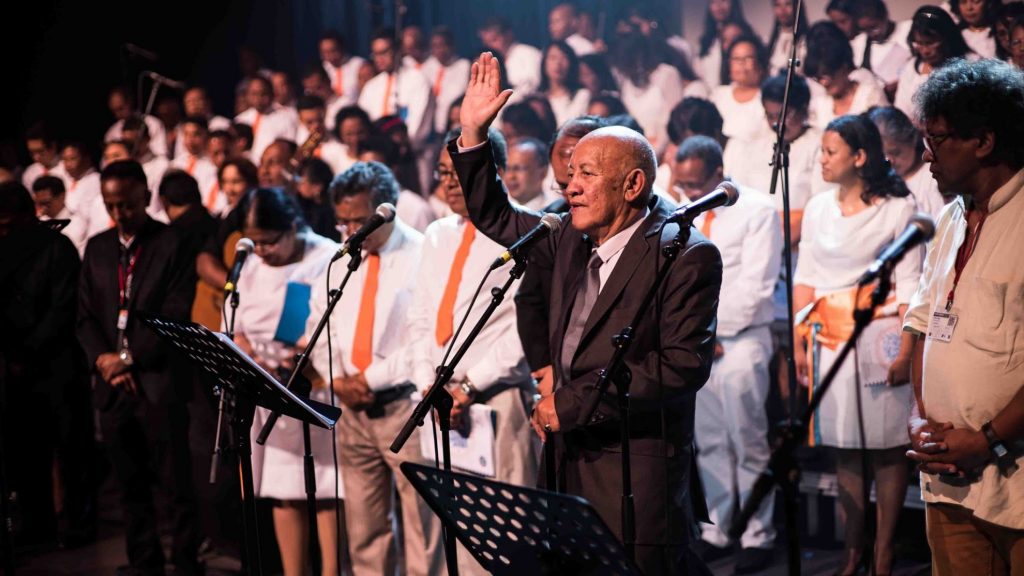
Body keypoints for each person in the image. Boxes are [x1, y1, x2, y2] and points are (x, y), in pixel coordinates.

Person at [453, 52, 719, 576]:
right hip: (564, 462)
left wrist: (570, 404)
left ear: (633, 185)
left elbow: (683, 364)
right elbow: (496, 215)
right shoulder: (566, 238)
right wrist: (472, 135)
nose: (568, 186)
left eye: (586, 174)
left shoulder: (684, 253)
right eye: (569, 174)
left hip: (634, 475)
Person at [903, 58, 1024, 576]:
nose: (926, 156)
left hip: (1014, 484)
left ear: (984, 141)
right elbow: (923, 326)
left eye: (938, 139)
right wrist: (918, 418)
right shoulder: (950, 217)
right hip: (946, 477)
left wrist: (989, 438)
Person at [793, 115, 921, 576]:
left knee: (887, 450)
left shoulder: (897, 208)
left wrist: (907, 351)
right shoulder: (818, 207)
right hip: (828, 339)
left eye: (830, 152)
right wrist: (797, 340)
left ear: (859, 157)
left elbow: (910, 286)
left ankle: (884, 552)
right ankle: (853, 549)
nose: (822, 160)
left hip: (878, 337)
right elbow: (805, 276)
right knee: (845, 447)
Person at [409, 123, 538, 576]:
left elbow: (525, 332)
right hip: (441, 399)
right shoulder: (437, 234)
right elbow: (422, 317)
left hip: (496, 397)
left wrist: (467, 385)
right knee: (457, 525)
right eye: (442, 173)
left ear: (493, 173)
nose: (448, 181)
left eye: (457, 172)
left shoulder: (524, 230)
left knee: (507, 531)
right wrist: (430, 381)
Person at [307, 162, 443, 576]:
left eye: (358, 220)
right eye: (343, 220)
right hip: (351, 409)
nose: (350, 231)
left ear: (387, 209)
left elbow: (426, 338)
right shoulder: (341, 257)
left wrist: (366, 379)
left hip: (405, 406)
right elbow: (319, 324)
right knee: (365, 529)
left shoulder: (423, 254)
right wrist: (335, 378)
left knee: (423, 525)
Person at [77, 160, 201, 575]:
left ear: (146, 198)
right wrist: (105, 361)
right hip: (113, 386)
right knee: (129, 484)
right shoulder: (96, 248)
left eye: (127, 205)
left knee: (175, 484)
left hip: (159, 381)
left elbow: (175, 313)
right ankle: (143, 560)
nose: (119, 215)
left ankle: (185, 561)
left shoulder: (174, 243)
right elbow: (84, 317)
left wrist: (130, 358)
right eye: (111, 206)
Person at [674, 136, 782, 572]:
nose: (691, 195)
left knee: (748, 438)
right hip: (702, 345)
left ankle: (759, 532)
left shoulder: (757, 210)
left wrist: (710, 329)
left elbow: (757, 288)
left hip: (742, 340)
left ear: (718, 172)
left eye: (697, 184)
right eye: (683, 185)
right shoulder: (680, 211)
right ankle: (720, 527)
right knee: (711, 441)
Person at [231, 187, 344, 576]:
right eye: (255, 242)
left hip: (311, 385)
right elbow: (239, 323)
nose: (261, 251)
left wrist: (284, 351)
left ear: (293, 226)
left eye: (269, 241)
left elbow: (311, 326)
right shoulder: (250, 264)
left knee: (326, 492)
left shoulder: (323, 256)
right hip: (269, 388)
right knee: (283, 492)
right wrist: (248, 352)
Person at [0, 181, 95, 549]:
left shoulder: (57, 247)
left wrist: (27, 350)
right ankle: (37, 524)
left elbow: (64, 308)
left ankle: (78, 524)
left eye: (9, 224)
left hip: (56, 364)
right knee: (25, 451)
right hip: (15, 366)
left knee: (72, 448)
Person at [612, 31, 705, 154]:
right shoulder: (626, 83)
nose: (637, 66)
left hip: (663, 149)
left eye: (639, 60)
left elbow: (674, 120)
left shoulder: (667, 74)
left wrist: (654, 153)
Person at [358, 29, 435, 152]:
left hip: (410, 154)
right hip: (377, 154)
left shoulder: (418, 80)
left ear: (398, 50)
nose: (379, 59)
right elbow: (363, 122)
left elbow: (417, 128)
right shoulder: (371, 86)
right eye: (375, 54)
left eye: (384, 52)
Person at [804, 22, 888, 131]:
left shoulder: (869, 95)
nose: (823, 83)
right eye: (818, 78)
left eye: (827, 75)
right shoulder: (820, 104)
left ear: (844, 67)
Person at [867, 106, 948, 218]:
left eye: (895, 152)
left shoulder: (931, 177)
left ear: (912, 139)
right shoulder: (882, 181)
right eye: (883, 155)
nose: (889, 160)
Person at [893, 6, 973, 120]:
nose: (925, 51)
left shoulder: (971, 64)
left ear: (947, 38)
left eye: (930, 43)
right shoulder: (911, 68)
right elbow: (901, 112)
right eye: (919, 43)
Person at [712, 34, 771, 141]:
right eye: (736, 58)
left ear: (760, 63)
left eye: (748, 58)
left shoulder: (768, 98)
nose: (741, 63)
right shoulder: (718, 95)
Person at [850, 0, 913, 99]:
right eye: (865, 30)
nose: (871, 34)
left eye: (874, 27)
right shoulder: (860, 44)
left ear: (885, 17)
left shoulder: (908, 30)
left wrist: (902, 82)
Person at [235, 76, 299, 162]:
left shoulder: (285, 118)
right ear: (247, 95)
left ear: (272, 94)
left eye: (263, 94)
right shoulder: (241, 120)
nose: (258, 99)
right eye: (254, 94)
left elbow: (288, 148)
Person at [423, 26, 471, 135]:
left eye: (442, 45)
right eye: (435, 46)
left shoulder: (464, 66)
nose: (439, 50)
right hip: (430, 129)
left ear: (452, 46)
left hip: (453, 126)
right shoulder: (427, 67)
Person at [477, 17, 543, 96]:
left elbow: (532, 88)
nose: (490, 47)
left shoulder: (528, 54)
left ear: (508, 35)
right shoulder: (491, 62)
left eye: (493, 40)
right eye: (486, 43)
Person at [170, 117, 222, 213]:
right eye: (186, 134)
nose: (190, 140)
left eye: (196, 134)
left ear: (206, 135)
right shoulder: (176, 164)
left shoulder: (212, 166)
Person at [697, 0, 751, 89]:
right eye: (713, 2)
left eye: (723, 0)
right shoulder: (707, 41)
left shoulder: (742, 34)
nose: (719, 6)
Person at [104, 87, 169, 158]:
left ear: (130, 102)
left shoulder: (152, 123)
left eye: (121, 108)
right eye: (114, 111)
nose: (118, 114)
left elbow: (161, 153)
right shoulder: (112, 133)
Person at [539, 41, 591, 128]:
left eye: (564, 58)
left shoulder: (582, 96)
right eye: (553, 58)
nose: (558, 63)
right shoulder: (539, 99)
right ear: (544, 63)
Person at [295, 95, 350, 174]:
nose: (316, 126)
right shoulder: (296, 143)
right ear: (300, 119)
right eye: (309, 122)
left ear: (325, 112)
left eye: (320, 120)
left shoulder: (339, 143)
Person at [504, 137, 557, 210]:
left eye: (519, 168)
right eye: (507, 168)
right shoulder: (499, 211)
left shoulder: (555, 212)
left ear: (543, 173)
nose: (510, 176)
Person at [319, 30, 367, 107]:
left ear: (342, 47)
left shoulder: (359, 65)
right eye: (325, 52)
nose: (330, 57)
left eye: (333, 51)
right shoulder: (323, 68)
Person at [766, 0, 808, 76]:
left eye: (788, 4)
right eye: (777, 5)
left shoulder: (806, 39)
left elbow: (800, 65)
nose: (782, 10)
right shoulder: (770, 40)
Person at [22, 122, 66, 188]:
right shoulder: (30, 173)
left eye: (40, 151)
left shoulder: (67, 168)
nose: (36, 157)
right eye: (32, 152)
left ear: (53, 146)